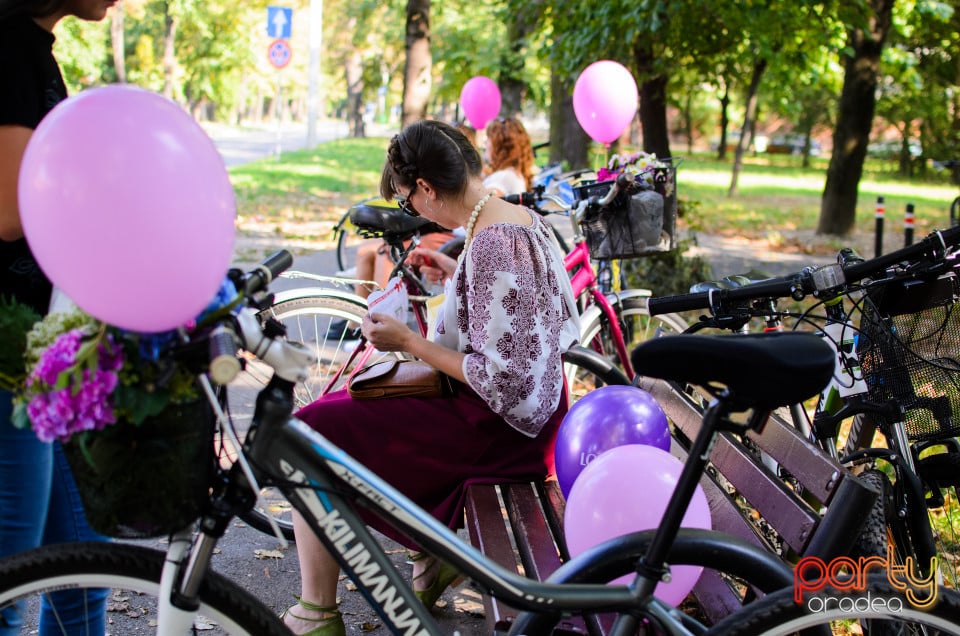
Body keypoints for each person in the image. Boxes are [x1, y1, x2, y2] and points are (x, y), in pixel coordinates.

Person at [282, 119, 580, 636]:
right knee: (343, 421)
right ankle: (430, 554)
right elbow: (517, 325)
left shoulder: (491, 243)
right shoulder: (515, 219)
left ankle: (317, 612)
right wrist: (453, 267)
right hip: (531, 416)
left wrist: (409, 343)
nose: (411, 212)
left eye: (406, 202)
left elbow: (499, 378)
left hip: (503, 430)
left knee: (309, 432)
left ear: (425, 188)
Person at [0, 0, 114, 633]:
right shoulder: (11, 54)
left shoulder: (31, 50)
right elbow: (10, 214)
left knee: (84, 567)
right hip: (9, 349)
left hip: (40, 346)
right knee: (14, 584)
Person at [482, 117, 536, 197]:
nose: (485, 142)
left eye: (489, 138)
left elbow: (480, 206)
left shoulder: (502, 178)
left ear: (500, 146)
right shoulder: (513, 174)